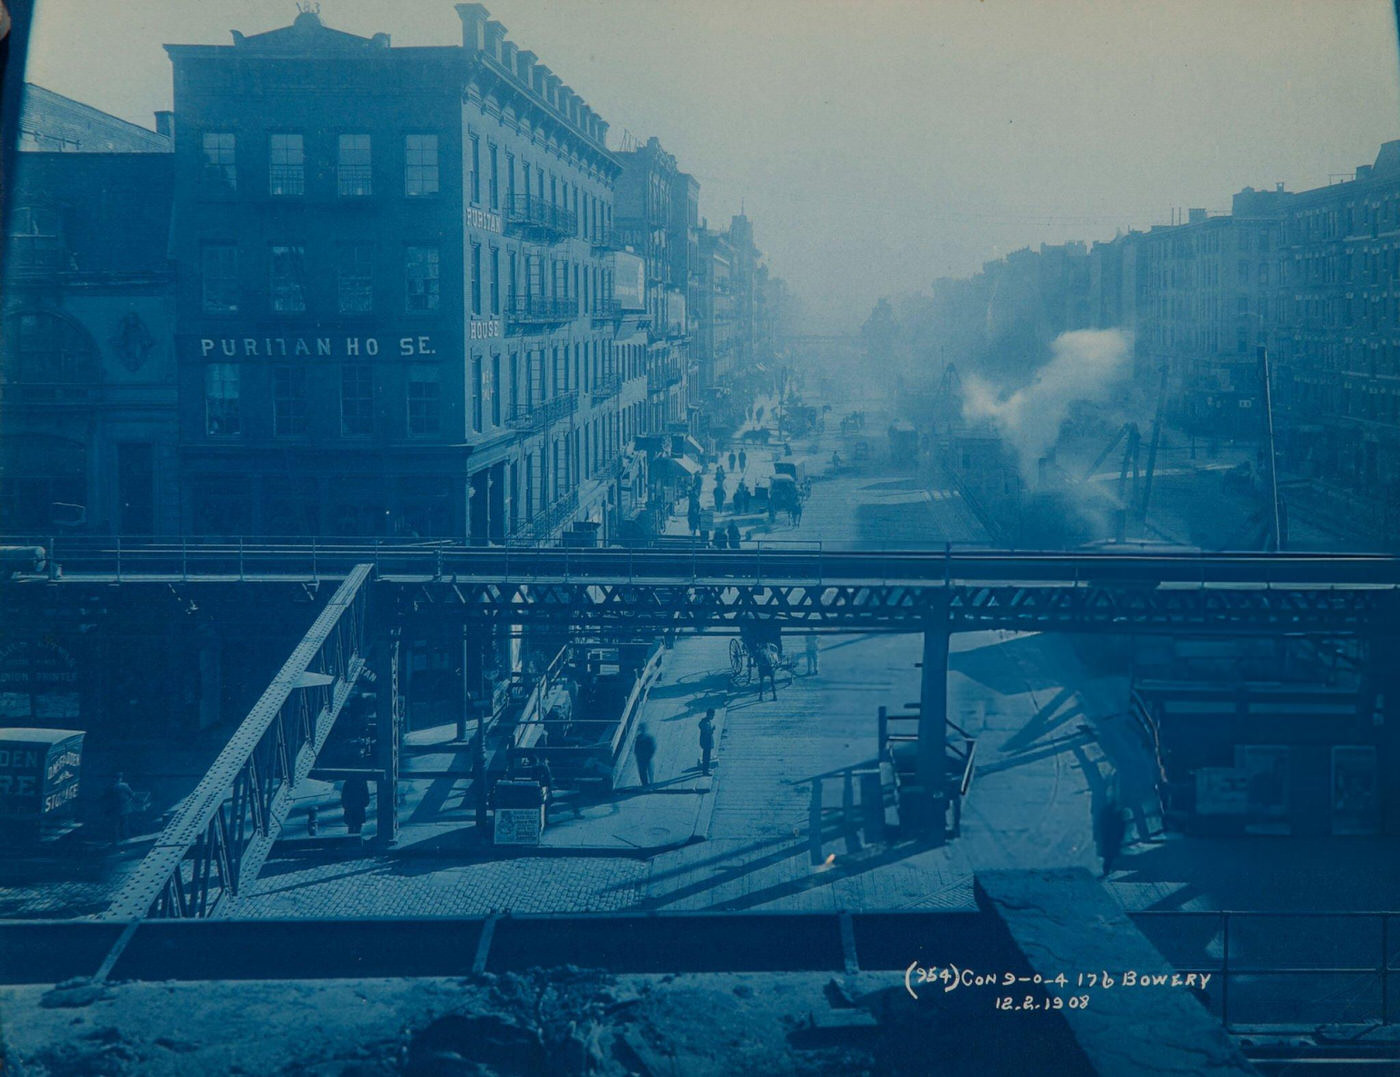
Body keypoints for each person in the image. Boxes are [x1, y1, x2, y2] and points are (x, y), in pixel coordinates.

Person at [105, 772, 136, 842]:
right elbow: (132, 794)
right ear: (120, 778)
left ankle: (117, 839)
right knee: (125, 824)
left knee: (116, 825)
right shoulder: (124, 785)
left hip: (115, 809)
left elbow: (107, 798)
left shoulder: (110, 787)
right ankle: (126, 838)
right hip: (125, 807)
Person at [699, 710, 716, 775]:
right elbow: (707, 733)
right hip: (707, 742)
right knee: (706, 757)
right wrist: (712, 729)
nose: (713, 716)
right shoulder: (706, 723)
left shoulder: (705, 721)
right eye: (713, 715)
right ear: (709, 715)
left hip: (705, 741)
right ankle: (705, 771)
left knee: (706, 756)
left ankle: (706, 769)